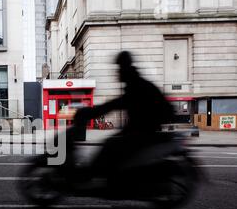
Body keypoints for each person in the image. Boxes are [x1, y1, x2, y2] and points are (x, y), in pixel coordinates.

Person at [66, 51, 174, 181]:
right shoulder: (135, 83)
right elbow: (118, 104)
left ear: (125, 67)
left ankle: (95, 177)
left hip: (144, 131)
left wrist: (89, 113)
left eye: (119, 68)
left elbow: (116, 104)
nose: (117, 72)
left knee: (110, 145)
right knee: (112, 143)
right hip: (142, 128)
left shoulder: (136, 86)